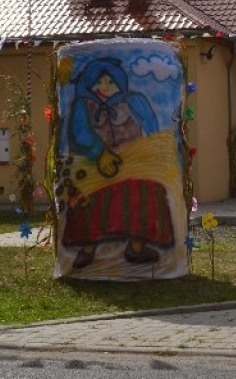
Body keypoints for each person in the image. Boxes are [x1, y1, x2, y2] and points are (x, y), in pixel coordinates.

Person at [62, 57, 175, 268]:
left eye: (110, 82)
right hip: (96, 168)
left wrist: (157, 154)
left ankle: (137, 247)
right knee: (93, 206)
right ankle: (87, 250)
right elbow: (79, 133)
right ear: (89, 84)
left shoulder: (133, 102)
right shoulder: (83, 105)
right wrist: (99, 152)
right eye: (99, 82)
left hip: (131, 166)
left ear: (120, 83)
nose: (105, 87)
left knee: (143, 197)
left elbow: (151, 127)